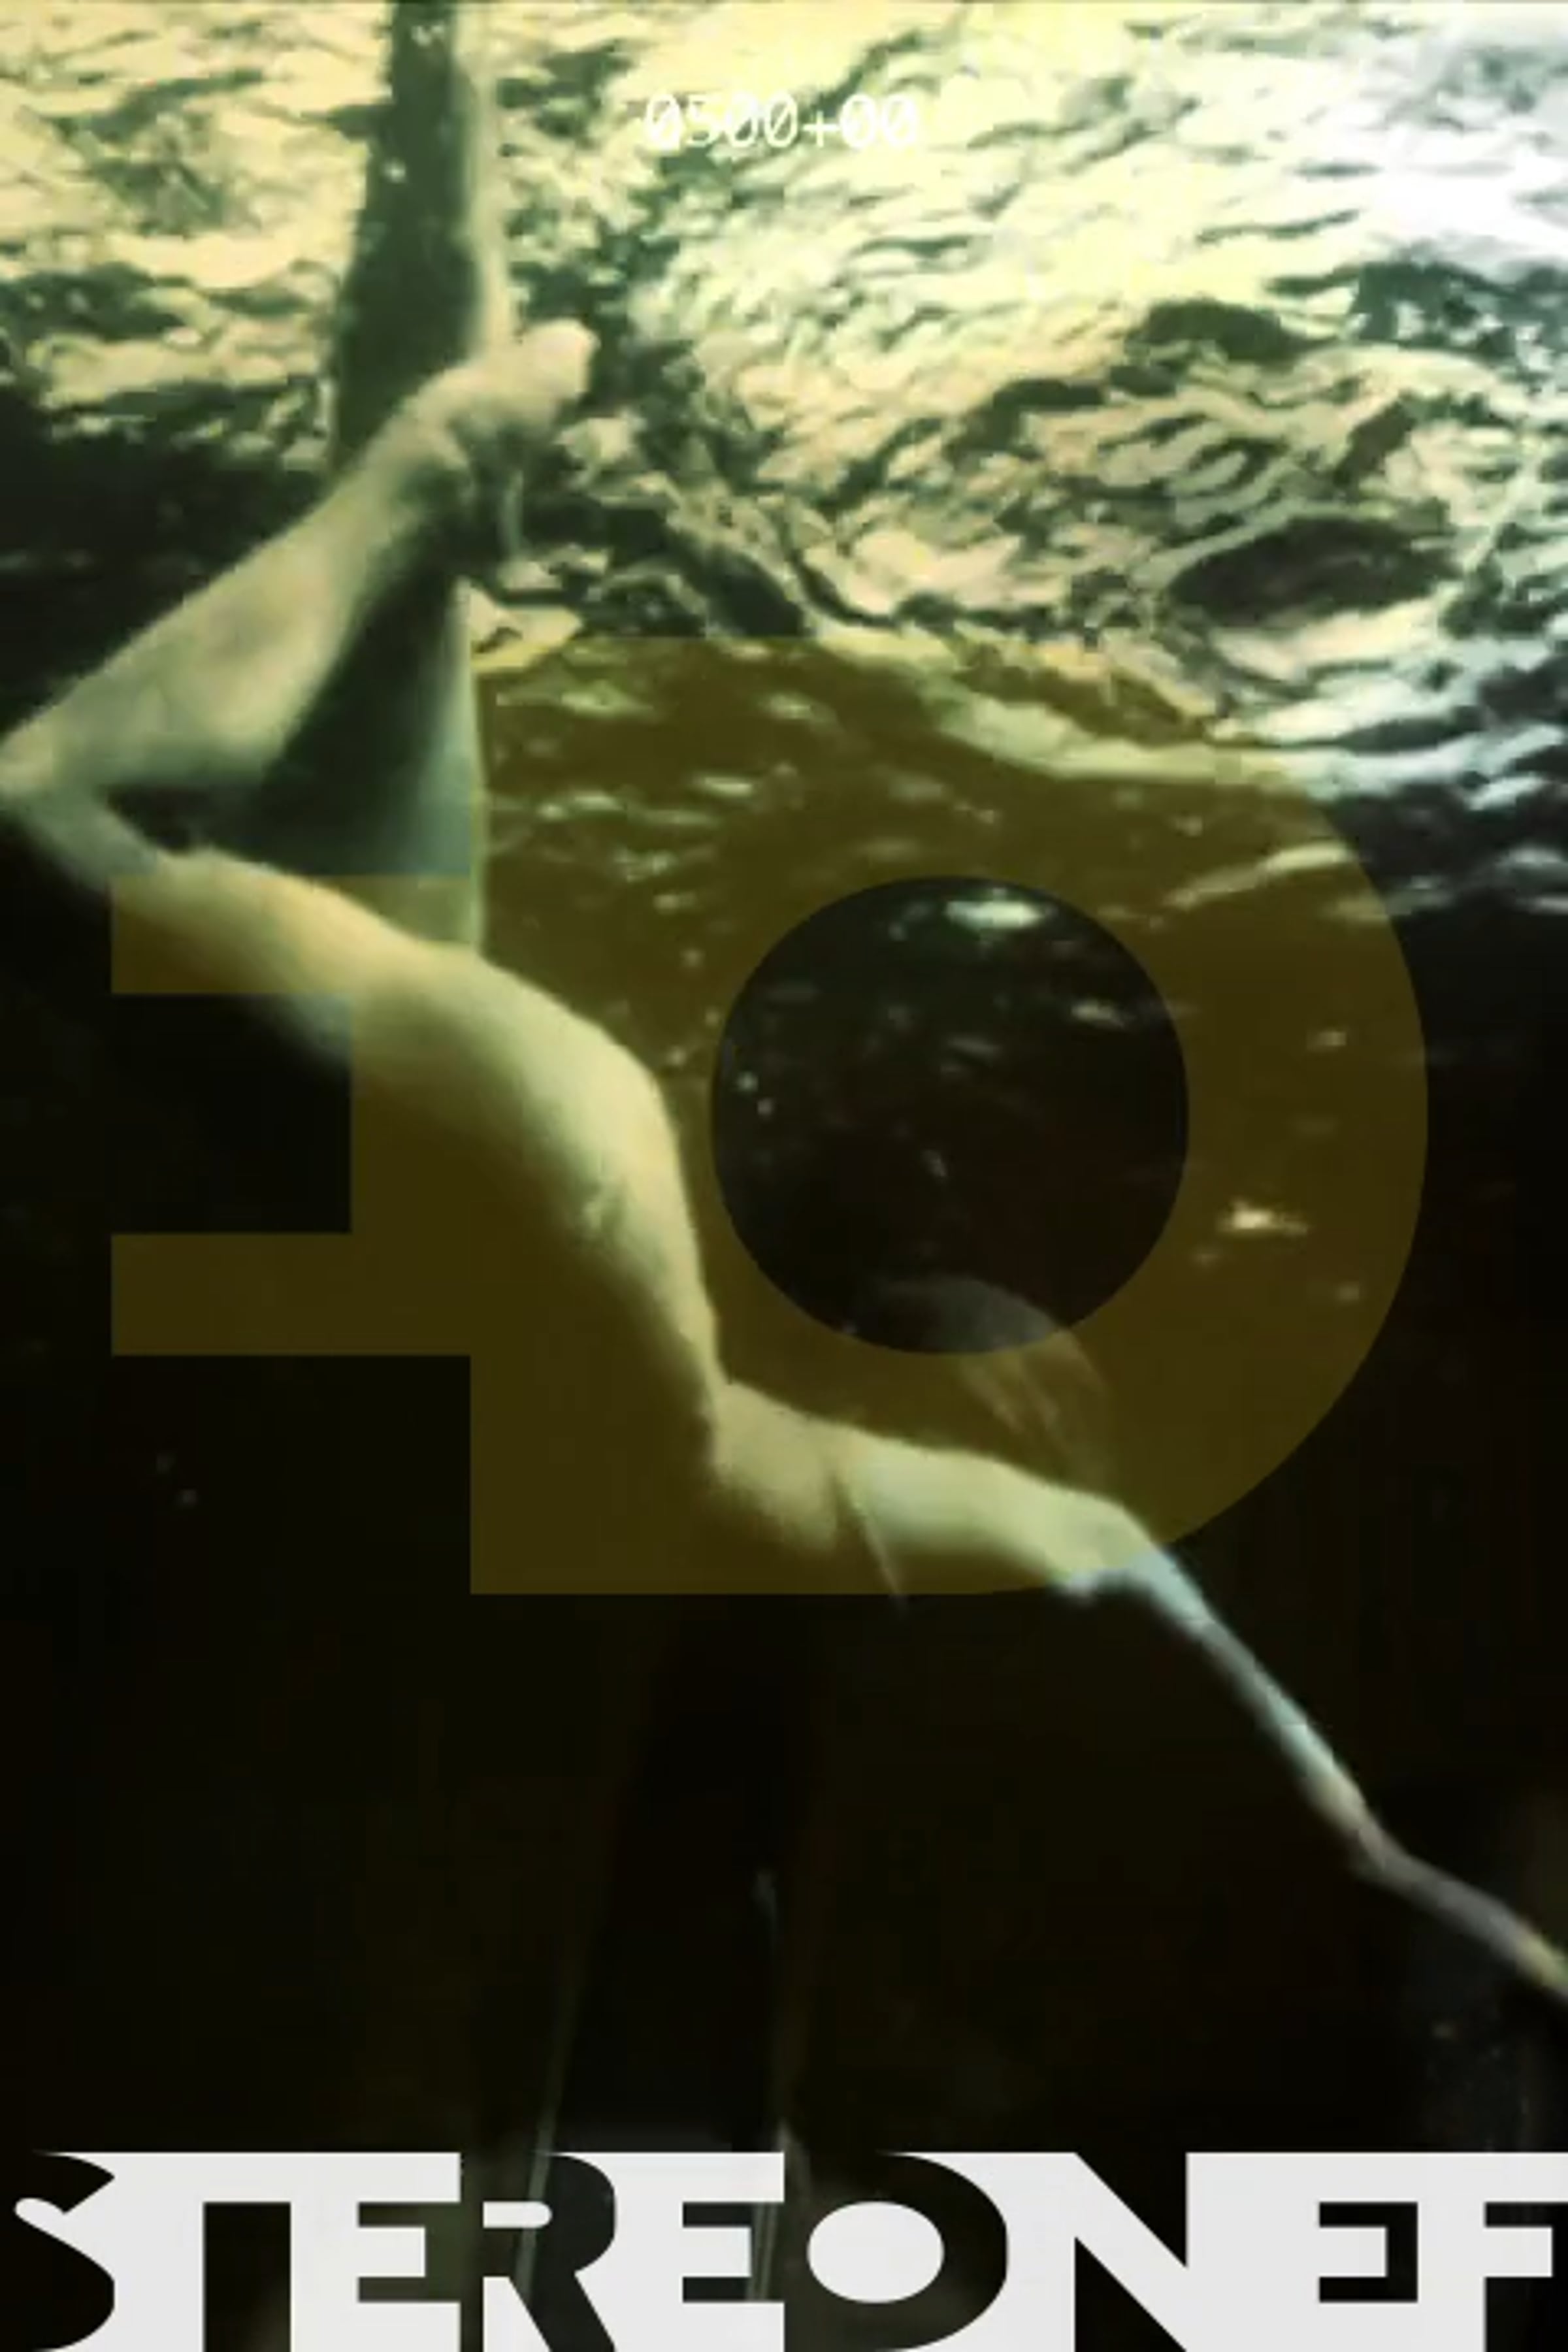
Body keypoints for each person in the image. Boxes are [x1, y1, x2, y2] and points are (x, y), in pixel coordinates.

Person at [3, 321, 1566, 2009]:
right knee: (49, 815)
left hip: (542, 1205)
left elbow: (1333, 1823)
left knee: (353, 840)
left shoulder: (921, 1513)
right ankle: (439, 464)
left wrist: (1438, 1907)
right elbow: (1338, 1834)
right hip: (540, 1215)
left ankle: (445, 478)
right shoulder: (909, 1521)